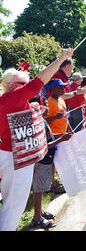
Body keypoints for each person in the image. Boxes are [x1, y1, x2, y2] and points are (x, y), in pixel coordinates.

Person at [0, 48, 73, 231]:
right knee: (14, 206)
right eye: (23, 84)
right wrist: (61, 59)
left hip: (10, 155)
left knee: (10, 203)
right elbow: (38, 82)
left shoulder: (7, 100)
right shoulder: (13, 98)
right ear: (14, 86)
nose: (28, 88)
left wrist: (34, 109)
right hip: (16, 158)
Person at [29, 96, 73, 229]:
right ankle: (37, 218)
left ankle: (40, 212)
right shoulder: (36, 122)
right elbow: (43, 145)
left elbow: (49, 136)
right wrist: (61, 139)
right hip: (42, 159)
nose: (49, 108)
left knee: (41, 189)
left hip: (47, 159)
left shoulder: (41, 120)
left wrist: (62, 136)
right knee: (38, 189)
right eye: (46, 105)